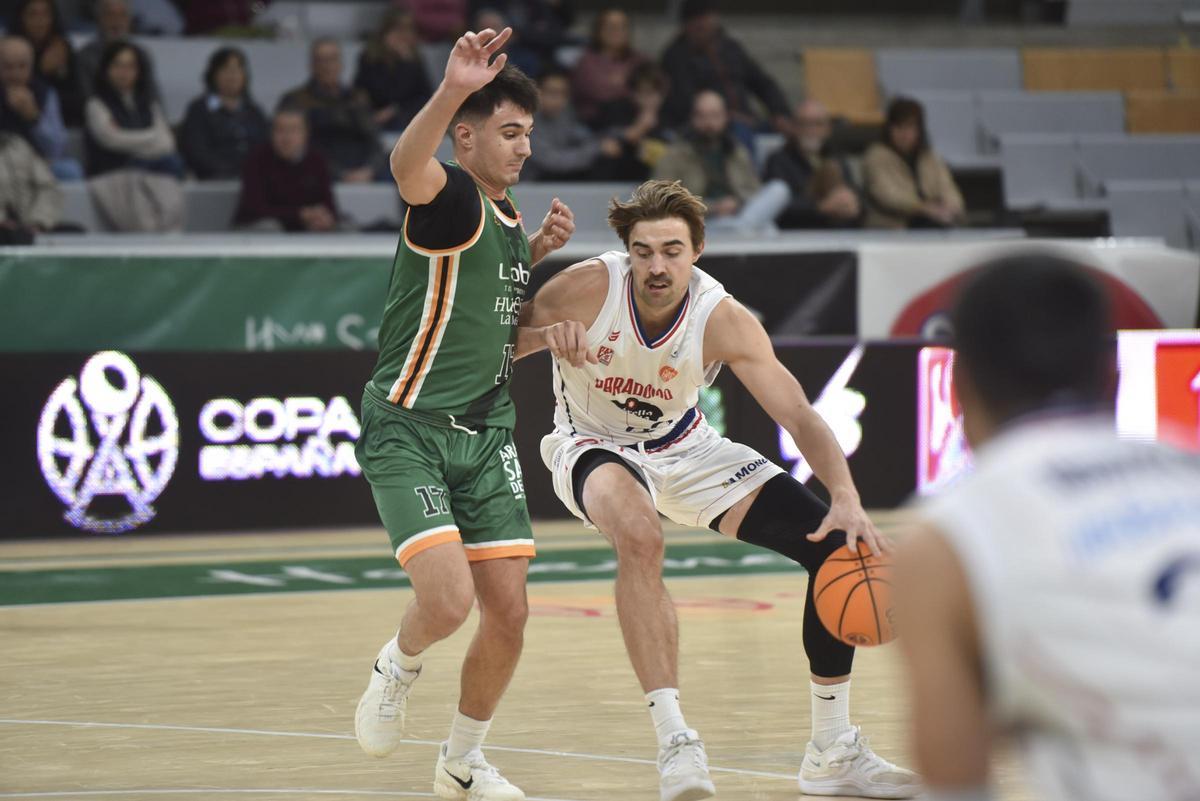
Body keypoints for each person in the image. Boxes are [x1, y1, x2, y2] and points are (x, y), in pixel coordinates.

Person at [517, 179, 920, 801]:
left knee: (838, 550)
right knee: (641, 536)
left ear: (697, 250)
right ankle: (676, 742)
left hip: (687, 448)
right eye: (645, 251)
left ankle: (832, 749)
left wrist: (847, 498)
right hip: (590, 444)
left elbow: (802, 416)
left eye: (672, 250)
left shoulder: (721, 317)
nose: (658, 265)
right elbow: (488, 347)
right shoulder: (583, 288)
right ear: (627, 252)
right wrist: (542, 338)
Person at [351, 27, 578, 801]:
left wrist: (540, 281)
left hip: (484, 434)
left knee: (509, 612)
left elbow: (493, 334)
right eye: (508, 133)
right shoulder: (447, 195)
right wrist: (451, 84)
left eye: (528, 134)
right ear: (467, 135)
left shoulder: (509, 219)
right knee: (446, 603)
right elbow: (402, 165)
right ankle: (397, 665)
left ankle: (461, 762)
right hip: (408, 427)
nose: (522, 148)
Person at [895, 252, 1200, 801]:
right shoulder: (1188, 466)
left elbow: (957, 785)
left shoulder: (949, 539)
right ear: (1113, 373)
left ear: (958, 388)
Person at [654, 90, 788, 234]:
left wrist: (737, 202)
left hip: (739, 214)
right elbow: (662, 200)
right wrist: (714, 208)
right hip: (701, 222)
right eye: (702, 116)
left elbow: (753, 190)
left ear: (725, 117)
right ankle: (741, 229)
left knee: (779, 189)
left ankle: (740, 228)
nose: (709, 123)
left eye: (714, 116)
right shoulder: (675, 155)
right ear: (692, 118)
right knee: (768, 229)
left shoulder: (736, 151)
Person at [659, 0, 790, 136]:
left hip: (748, 122)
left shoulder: (730, 48)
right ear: (686, 25)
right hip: (709, 127)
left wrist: (779, 112)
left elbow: (763, 83)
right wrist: (726, 117)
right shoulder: (676, 57)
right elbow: (684, 104)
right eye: (698, 23)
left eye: (708, 20)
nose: (703, 26)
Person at [281, 38, 382, 183]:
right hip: (317, 174)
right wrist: (340, 174)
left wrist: (369, 169)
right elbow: (298, 146)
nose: (328, 66)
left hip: (364, 170)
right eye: (322, 60)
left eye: (332, 59)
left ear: (341, 64)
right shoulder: (296, 100)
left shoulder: (358, 98)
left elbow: (374, 140)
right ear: (312, 65)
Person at [862, 97, 964, 230]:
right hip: (894, 227)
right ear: (889, 129)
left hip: (934, 221)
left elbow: (948, 188)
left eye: (910, 127)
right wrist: (922, 208)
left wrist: (951, 207)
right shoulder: (876, 156)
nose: (904, 134)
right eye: (899, 127)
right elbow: (887, 196)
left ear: (919, 130)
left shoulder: (929, 157)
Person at [83, 40, 181, 178]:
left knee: (172, 162)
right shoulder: (96, 104)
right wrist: (153, 136)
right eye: (117, 65)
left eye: (130, 66)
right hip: (112, 171)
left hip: (148, 164)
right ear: (106, 69)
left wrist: (134, 141)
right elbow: (111, 139)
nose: (124, 72)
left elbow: (167, 143)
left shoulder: (149, 103)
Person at [233, 106, 336, 232]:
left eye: (294, 130)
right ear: (271, 133)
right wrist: (300, 214)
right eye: (280, 130)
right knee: (270, 227)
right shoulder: (256, 160)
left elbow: (329, 204)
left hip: (304, 226)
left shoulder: (317, 160)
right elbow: (254, 208)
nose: (287, 138)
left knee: (338, 226)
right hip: (257, 229)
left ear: (306, 133)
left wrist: (322, 216)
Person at [764, 100, 861, 230]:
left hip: (838, 236)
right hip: (798, 237)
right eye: (804, 123)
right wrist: (820, 208)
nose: (811, 130)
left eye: (818, 124)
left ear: (828, 129)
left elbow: (857, 197)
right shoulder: (778, 160)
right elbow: (777, 207)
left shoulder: (837, 158)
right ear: (793, 127)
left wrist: (853, 205)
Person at [180, 47, 269, 180]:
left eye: (238, 69)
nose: (232, 76)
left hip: (254, 179)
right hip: (214, 179)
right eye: (226, 70)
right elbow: (196, 152)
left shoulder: (253, 110)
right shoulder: (199, 109)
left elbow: (266, 147)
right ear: (213, 74)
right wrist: (227, 171)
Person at [0, 35, 81, 180]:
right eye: (8, 67)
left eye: (22, 66)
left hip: (36, 162)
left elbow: (56, 149)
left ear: (31, 67)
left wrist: (34, 117)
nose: (15, 74)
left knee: (70, 170)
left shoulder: (45, 93)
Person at [524, 65, 614, 181]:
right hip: (529, 186)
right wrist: (597, 149)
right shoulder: (525, 120)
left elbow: (582, 135)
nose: (559, 100)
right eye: (552, 93)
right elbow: (553, 162)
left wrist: (608, 140)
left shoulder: (565, 112)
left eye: (564, 94)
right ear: (536, 92)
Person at [353, 9, 432, 133]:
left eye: (408, 30)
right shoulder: (369, 57)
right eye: (399, 30)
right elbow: (365, 90)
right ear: (385, 31)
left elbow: (425, 97)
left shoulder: (414, 60)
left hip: (405, 116)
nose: (404, 35)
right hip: (374, 115)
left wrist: (406, 65)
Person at [591, 62, 672, 182]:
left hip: (653, 182)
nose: (649, 99)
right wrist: (639, 128)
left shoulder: (669, 116)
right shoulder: (617, 110)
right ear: (633, 93)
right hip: (617, 177)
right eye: (643, 93)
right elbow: (606, 139)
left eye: (654, 93)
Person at [8, 0, 82, 126]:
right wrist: (41, 71)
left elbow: (78, 100)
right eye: (33, 14)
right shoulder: (11, 50)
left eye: (45, 14)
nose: (40, 21)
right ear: (21, 18)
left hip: (63, 122)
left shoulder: (62, 49)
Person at [77, 0, 161, 108]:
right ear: (100, 19)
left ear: (129, 20)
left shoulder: (142, 55)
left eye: (122, 15)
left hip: (139, 120)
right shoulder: (86, 57)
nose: (116, 21)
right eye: (110, 14)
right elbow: (88, 100)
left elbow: (154, 100)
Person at [571, 8, 646, 125]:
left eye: (622, 27)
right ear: (598, 30)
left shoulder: (639, 60)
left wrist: (620, 84)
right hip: (596, 123)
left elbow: (655, 87)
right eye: (610, 27)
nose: (616, 31)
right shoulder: (587, 61)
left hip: (635, 117)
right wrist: (630, 87)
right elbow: (599, 92)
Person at [0, 129, 63, 237]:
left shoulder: (19, 146)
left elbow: (49, 187)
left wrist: (38, 221)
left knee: (75, 232)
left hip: (29, 226)